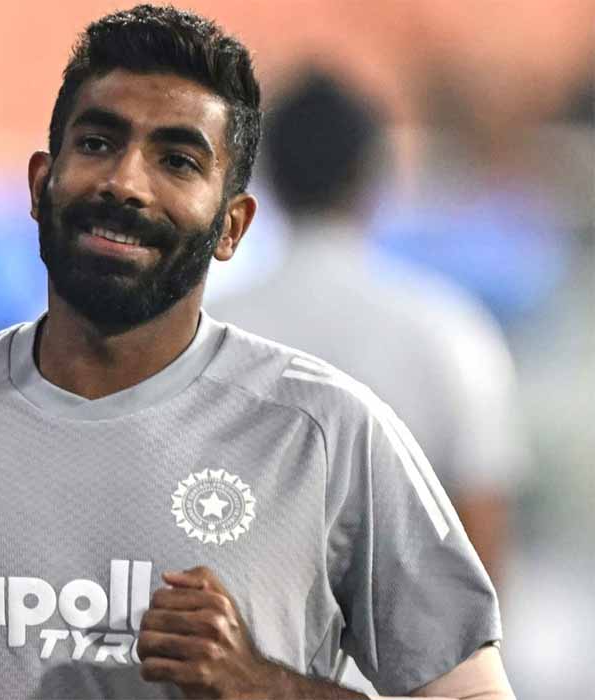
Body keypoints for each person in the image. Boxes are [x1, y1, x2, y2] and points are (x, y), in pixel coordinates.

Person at [0, 6, 514, 699]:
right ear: (41, 184)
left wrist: (266, 687)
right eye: (97, 143)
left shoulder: (331, 433)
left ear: (232, 227)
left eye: (178, 161)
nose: (125, 182)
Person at [208, 72, 526, 587]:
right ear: (373, 177)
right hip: (401, 633)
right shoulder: (448, 330)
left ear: (265, 179)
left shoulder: (207, 330)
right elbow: (482, 536)